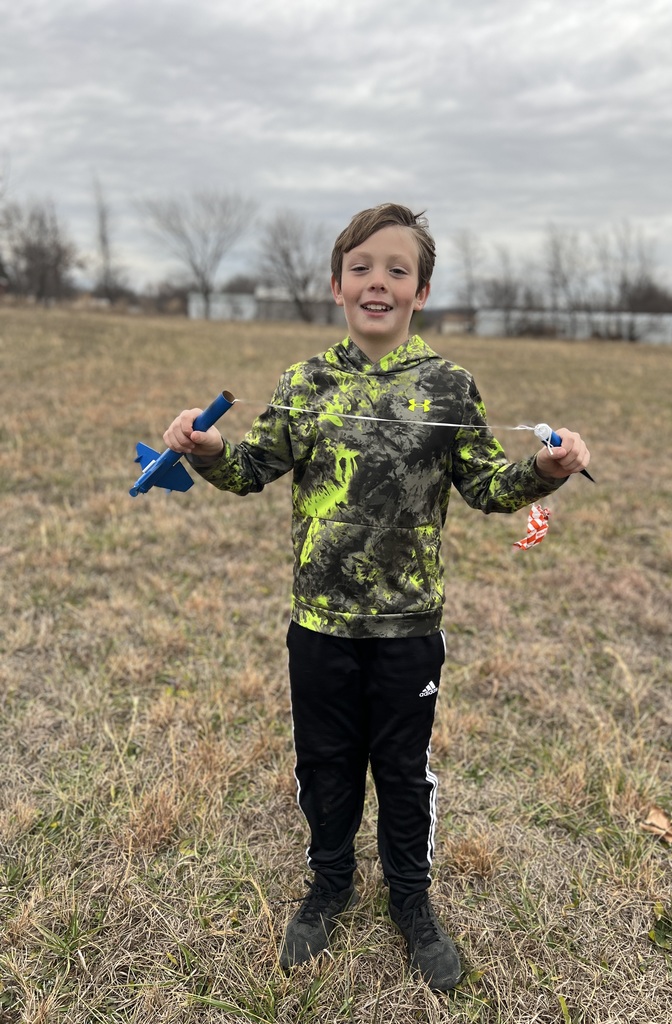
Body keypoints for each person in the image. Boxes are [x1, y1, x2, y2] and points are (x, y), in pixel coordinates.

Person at [163, 203, 590, 991]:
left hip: (408, 629)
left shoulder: (450, 386)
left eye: (397, 270)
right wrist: (211, 449)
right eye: (361, 268)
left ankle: (411, 899)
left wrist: (545, 471)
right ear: (336, 285)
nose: (378, 283)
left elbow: (489, 487)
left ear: (420, 292)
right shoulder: (305, 382)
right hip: (320, 624)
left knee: (401, 769)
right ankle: (329, 886)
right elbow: (251, 470)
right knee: (325, 763)